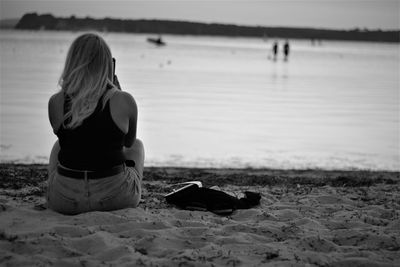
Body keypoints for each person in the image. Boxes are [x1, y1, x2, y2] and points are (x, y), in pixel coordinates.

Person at [47, 33, 145, 215]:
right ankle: (131, 188)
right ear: (107, 65)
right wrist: (117, 93)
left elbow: (74, 141)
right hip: (115, 198)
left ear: (72, 63)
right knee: (138, 146)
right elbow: (128, 144)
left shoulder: (55, 101)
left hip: (64, 201)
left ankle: (56, 184)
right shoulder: (124, 100)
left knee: (57, 146)